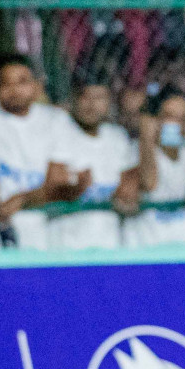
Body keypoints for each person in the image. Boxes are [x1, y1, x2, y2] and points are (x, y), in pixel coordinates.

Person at [0, 0, 72, 250]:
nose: (14, 90)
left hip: (42, 236)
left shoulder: (55, 121)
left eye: (23, 81)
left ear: (36, 86)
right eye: (6, 83)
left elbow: (57, 184)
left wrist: (21, 200)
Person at [47, 76, 134, 251]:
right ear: (74, 98)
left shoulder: (117, 137)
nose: (92, 105)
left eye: (99, 98)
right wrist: (76, 189)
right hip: (66, 247)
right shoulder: (59, 129)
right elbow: (52, 189)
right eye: (85, 97)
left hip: (110, 245)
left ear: (110, 102)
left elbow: (128, 189)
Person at [125, 90, 185, 247]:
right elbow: (149, 184)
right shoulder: (136, 151)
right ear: (156, 120)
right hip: (151, 247)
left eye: (182, 118)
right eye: (169, 116)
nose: (176, 124)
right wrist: (147, 140)